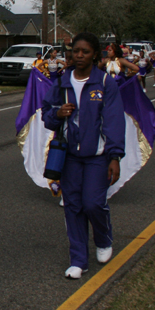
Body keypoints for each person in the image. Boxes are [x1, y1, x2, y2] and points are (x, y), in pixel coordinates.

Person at [42, 32, 125, 279]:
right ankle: (78, 260)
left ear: (95, 55)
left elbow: (113, 121)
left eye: (85, 51)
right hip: (69, 156)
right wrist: (57, 115)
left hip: (97, 156)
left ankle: (103, 238)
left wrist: (114, 156)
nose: (79, 55)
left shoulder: (105, 83)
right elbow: (47, 113)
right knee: (73, 206)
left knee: (93, 203)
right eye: (76, 51)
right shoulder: (61, 82)